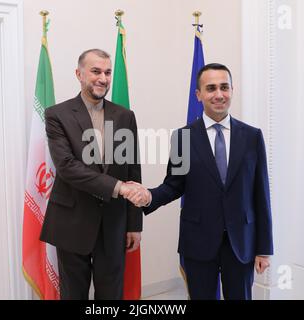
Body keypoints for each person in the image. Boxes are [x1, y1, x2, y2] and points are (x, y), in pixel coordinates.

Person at [125, 63, 273, 300]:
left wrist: (264, 249)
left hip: (241, 244)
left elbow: (261, 194)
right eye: (211, 88)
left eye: (224, 87)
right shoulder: (183, 137)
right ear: (199, 95)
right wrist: (149, 196)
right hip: (198, 241)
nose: (218, 94)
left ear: (232, 90)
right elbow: (174, 185)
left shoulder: (252, 137)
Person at [40, 49, 142, 300]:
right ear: (79, 74)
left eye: (107, 72)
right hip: (71, 221)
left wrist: (134, 224)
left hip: (114, 222)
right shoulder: (57, 115)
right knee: (73, 294)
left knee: (111, 296)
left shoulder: (125, 116)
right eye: (96, 71)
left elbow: (132, 170)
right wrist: (117, 187)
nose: (103, 78)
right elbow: (67, 166)